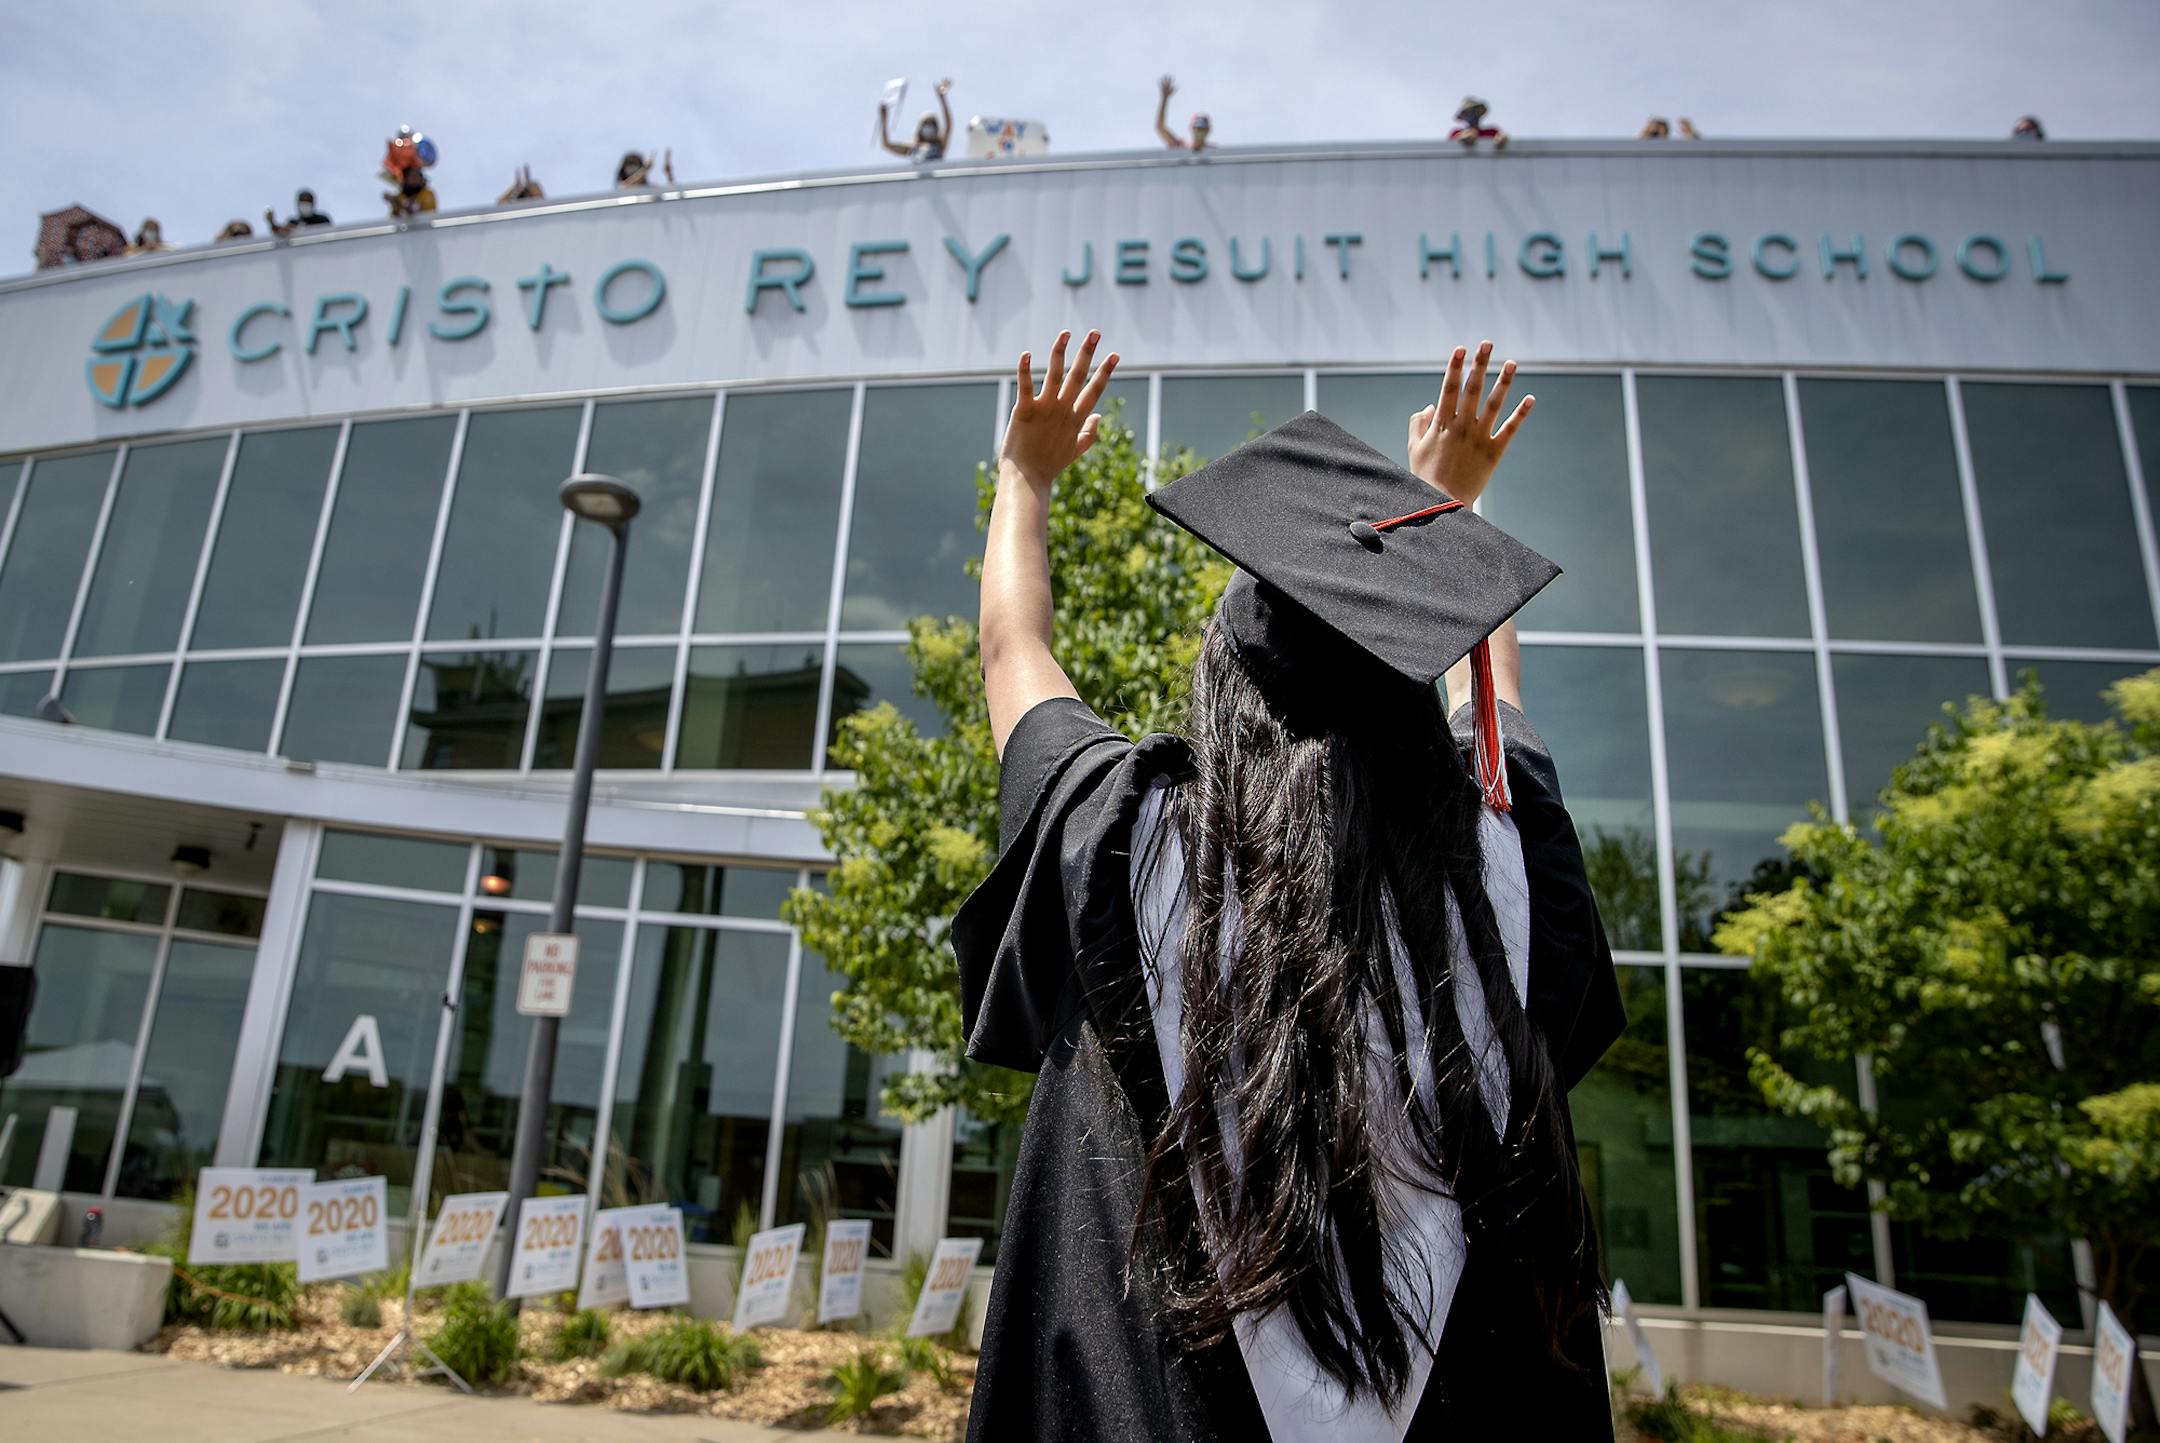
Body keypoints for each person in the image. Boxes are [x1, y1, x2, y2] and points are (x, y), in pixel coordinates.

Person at [957, 332, 1623, 1440]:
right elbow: (1492, 695)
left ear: (1223, 687)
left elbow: (1010, 648)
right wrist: (1430, 524)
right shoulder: (1509, 872)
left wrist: (1024, 477)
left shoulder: (1120, 842)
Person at [879, 77, 953, 162]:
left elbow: (949, 126)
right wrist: (883, 119)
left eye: (932, 124)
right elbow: (887, 144)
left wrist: (942, 99)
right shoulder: (912, 147)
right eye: (926, 124)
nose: (929, 127)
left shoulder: (939, 146)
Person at [1156, 75, 1212, 151]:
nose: (1199, 132)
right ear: (1191, 128)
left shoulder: (1213, 151)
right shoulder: (1181, 146)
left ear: (1208, 130)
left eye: (1202, 129)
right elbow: (1160, 128)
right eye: (1197, 128)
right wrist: (1165, 99)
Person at [264, 188, 332, 237]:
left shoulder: (323, 220)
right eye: (302, 201)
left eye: (307, 201)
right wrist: (271, 222)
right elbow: (282, 231)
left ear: (313, 203)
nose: (304, 204)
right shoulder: (293, 221)